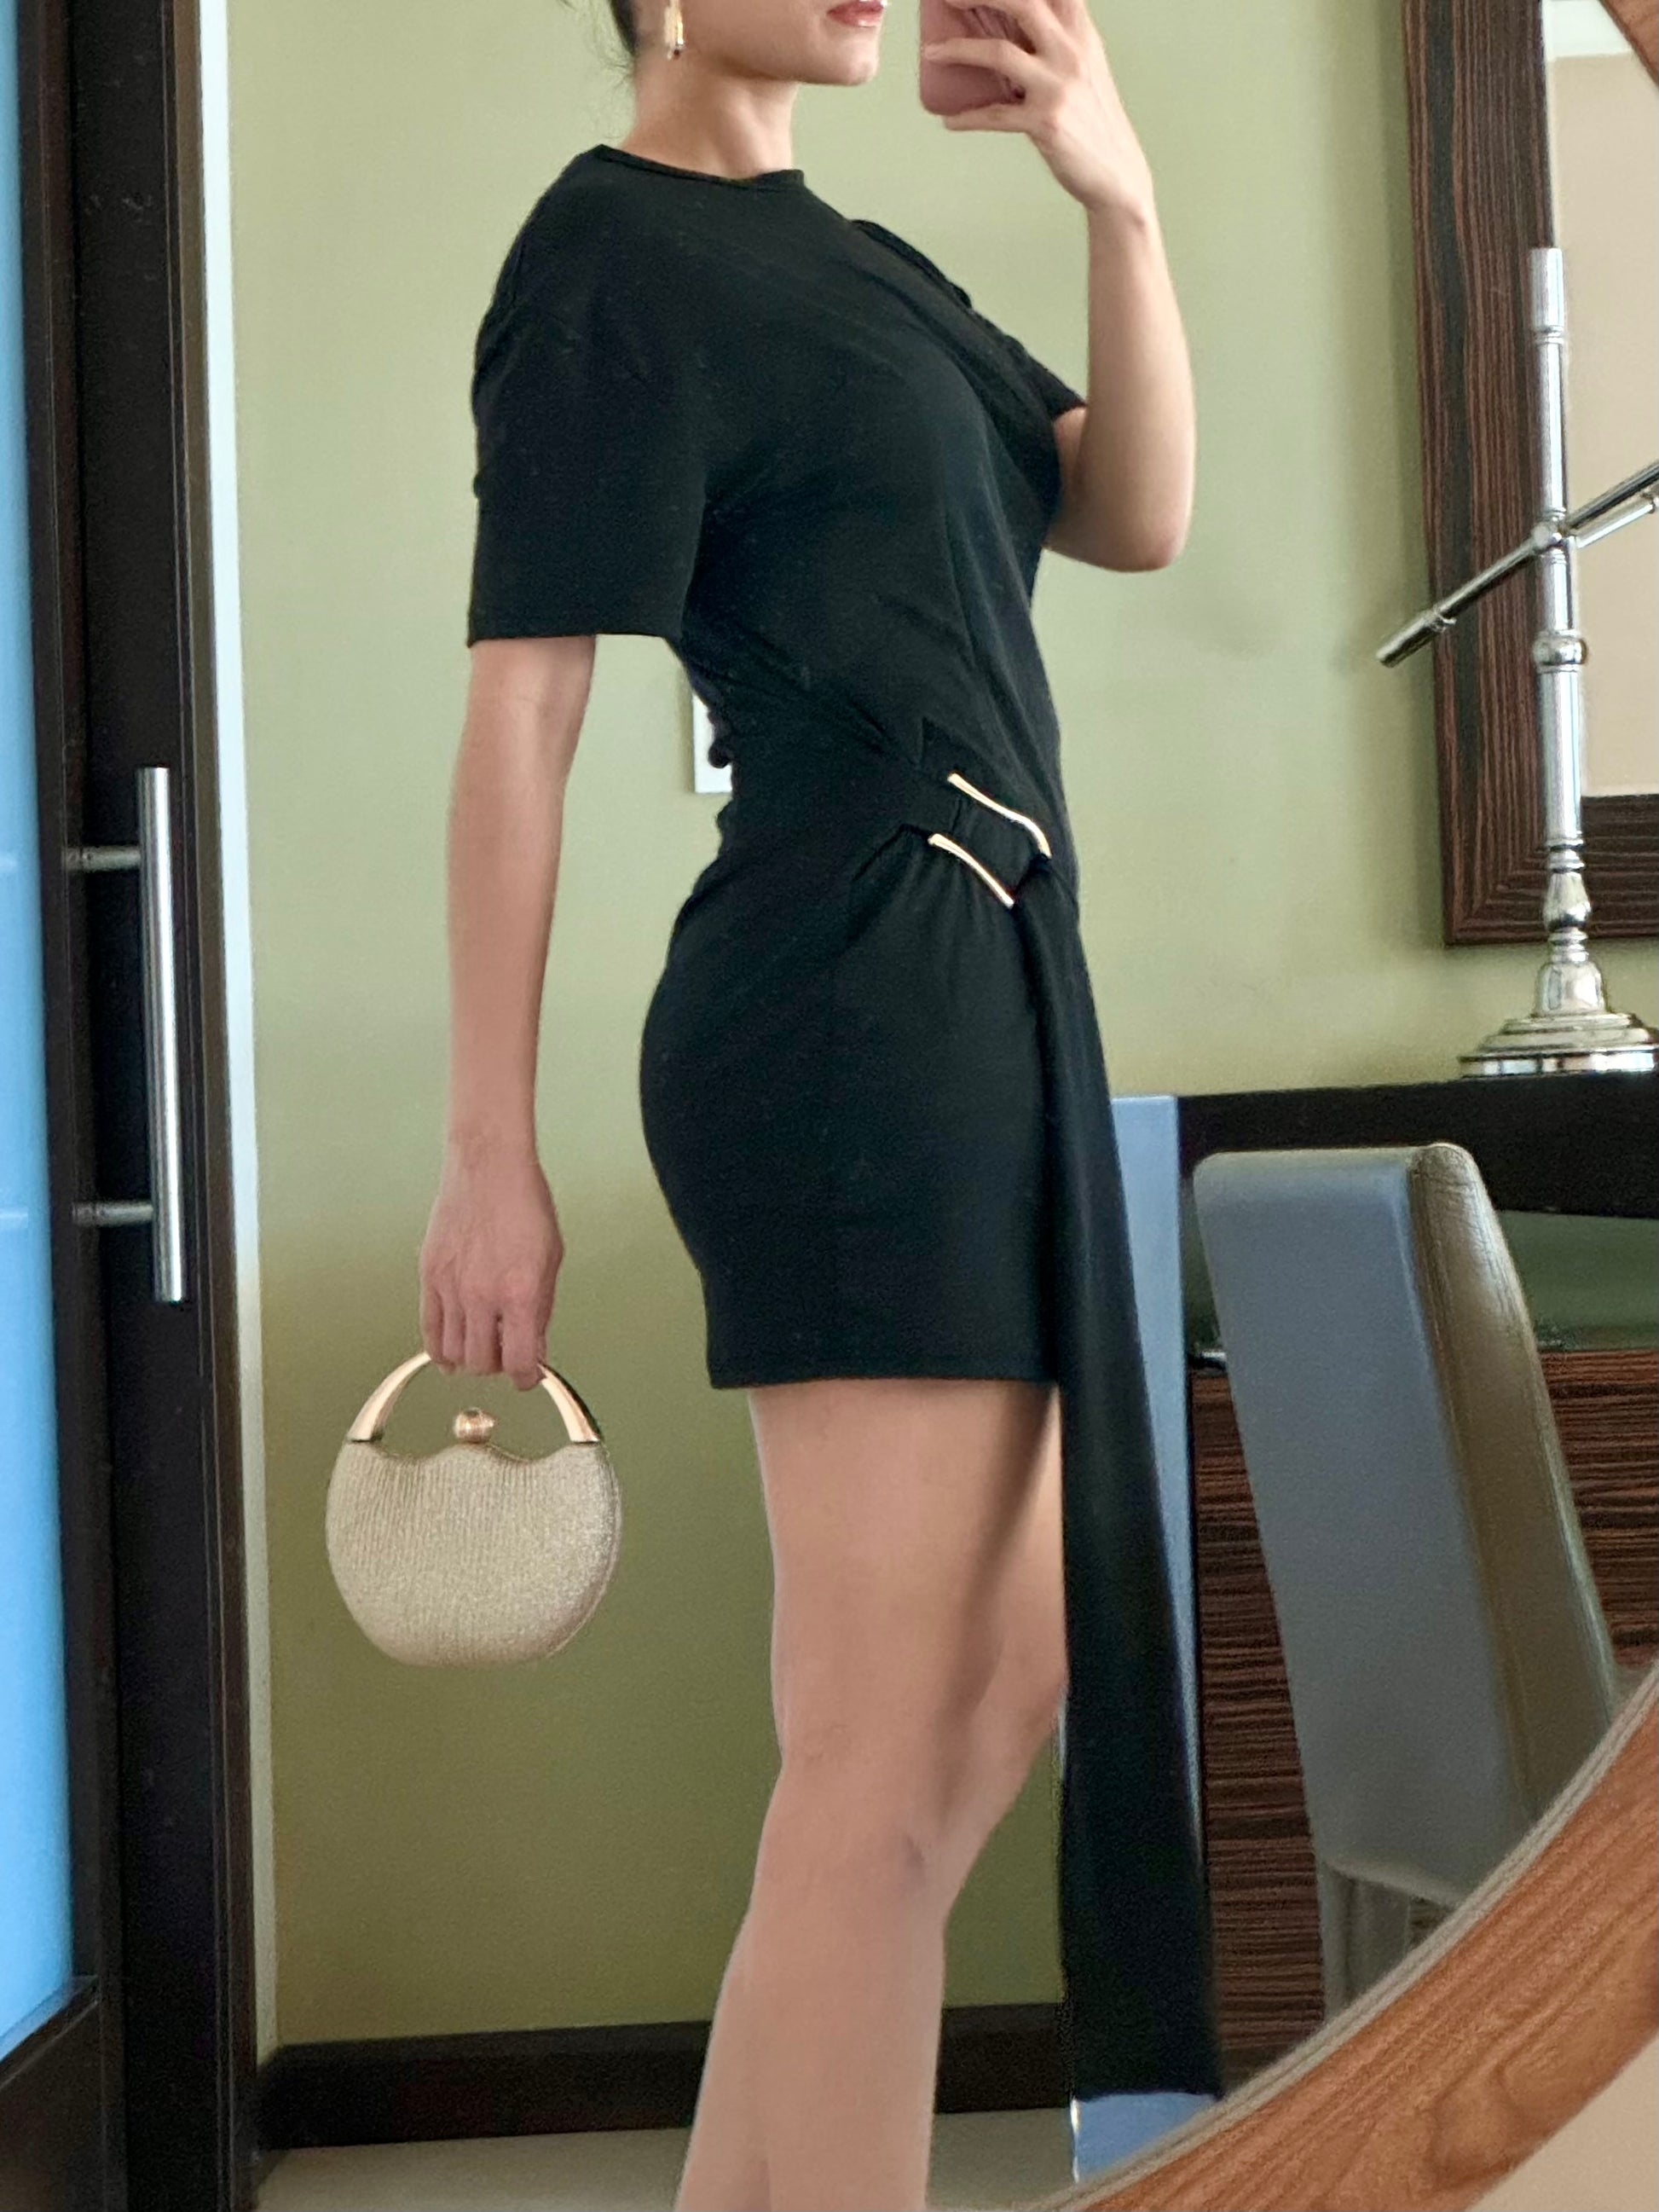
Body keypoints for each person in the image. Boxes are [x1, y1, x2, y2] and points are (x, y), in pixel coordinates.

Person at [418, 0, 1222, 2204]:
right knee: (876, 1765)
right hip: (851, 1002)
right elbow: (523, 719)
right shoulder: (607, 260)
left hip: (982, 989)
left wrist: (1118, 195)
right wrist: (486, 1147)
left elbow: (1135, 509)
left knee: (985, 1698)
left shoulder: (857, 265)